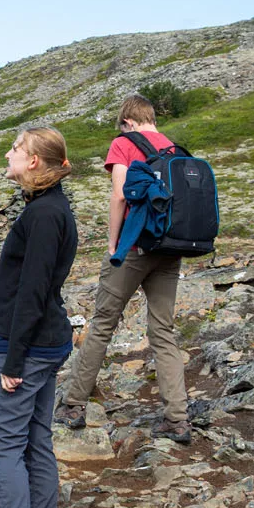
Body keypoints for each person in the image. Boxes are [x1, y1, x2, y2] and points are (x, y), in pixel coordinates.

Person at [54, 95, 191, 443]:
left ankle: (73, 404)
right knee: (163, 330)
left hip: (134, 246)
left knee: (102, 323)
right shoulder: (175, 149)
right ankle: (177, 419)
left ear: (127, 122)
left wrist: (114, 244)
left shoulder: (124, 143)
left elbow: (119, 196)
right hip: (170, 248)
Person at [0, 127, 78, 508]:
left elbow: (34, 290)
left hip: (30, 347)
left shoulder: (43, 215)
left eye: (16, 150)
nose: (9, 154)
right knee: (36, 441)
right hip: (48, 343)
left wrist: (13, 358)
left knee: (5, 445)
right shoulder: (53, 208)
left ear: (35, 162)